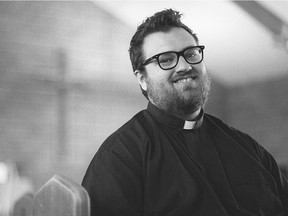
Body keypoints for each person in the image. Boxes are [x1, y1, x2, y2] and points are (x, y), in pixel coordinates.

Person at [82, 8, 288, 216]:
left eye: (191, 54)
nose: (185, 66)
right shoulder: (120, 156)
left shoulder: (248, 148)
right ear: (142, 78)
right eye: (166, 59)